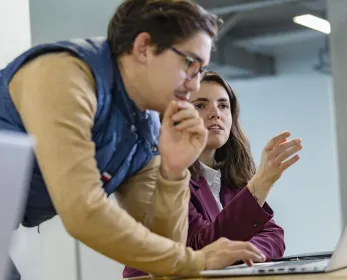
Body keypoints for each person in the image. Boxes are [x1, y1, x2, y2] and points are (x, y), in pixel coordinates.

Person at [0, 1, 267, 279]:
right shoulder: (64, 76)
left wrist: (173, 173)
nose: (195, 84)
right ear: (144, 48)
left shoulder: (144, 126)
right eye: (190, 63)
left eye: (200, 70)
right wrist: (193, 260)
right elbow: (83, 212)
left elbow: (163, 247)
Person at [123, 71, 303, 278]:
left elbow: (273, 235)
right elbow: (200, 247)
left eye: (223, 105)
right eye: (200, 105)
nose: (215, 113)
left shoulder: (231, 178)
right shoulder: (160, 175)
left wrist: (241, 255)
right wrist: (261, 182)